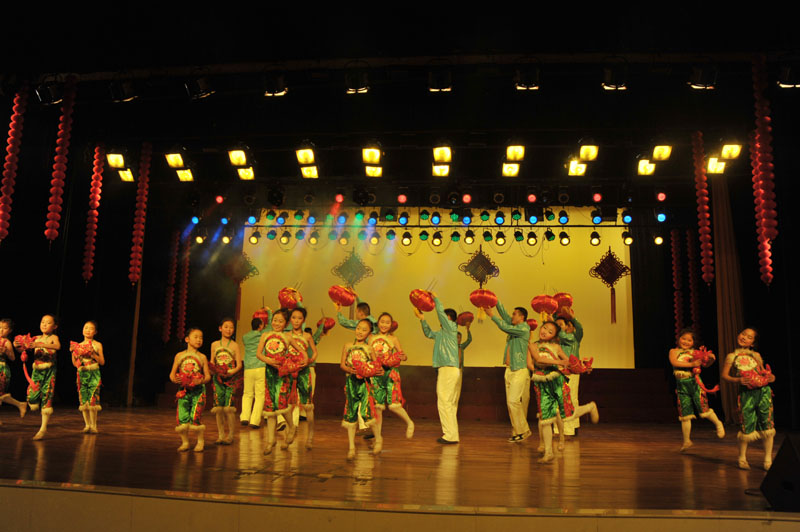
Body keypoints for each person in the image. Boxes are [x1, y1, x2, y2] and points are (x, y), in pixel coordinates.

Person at [528, 321, 599, 463]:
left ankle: (590, 407)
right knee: (545, 420)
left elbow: (570, 363)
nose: (545, 331)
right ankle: (548, 452)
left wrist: (583, 368)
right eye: (544, 328)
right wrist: (558, 363)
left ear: (554, 336)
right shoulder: (532, 345)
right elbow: (535, 361)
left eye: (550, 331)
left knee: (568, 414)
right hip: (541, 384)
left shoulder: (556, 347)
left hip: (557, 382)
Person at [721, 327, 776, 470]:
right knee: (746, 424)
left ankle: (768, 460)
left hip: (763, 392)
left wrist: (771, 377)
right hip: (747, 393)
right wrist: (738, 380)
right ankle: (742, 458)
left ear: (753, 343)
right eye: (743, 334)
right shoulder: (732, 356)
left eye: (749, 337)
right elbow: (725, 375)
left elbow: (763, 372)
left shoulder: (756, 355)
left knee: (767, 425)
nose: (744, 337)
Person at [256, 309, 307, 454]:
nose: (277, 323)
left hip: (282, 376)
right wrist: (269, 361)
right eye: (275, 320)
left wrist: (303, 361)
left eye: (280, 321)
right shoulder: (265, 335)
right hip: (269, 374)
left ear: (286, 323)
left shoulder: (288, 337)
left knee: (282, 405)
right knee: (270, 409)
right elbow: (259, 354)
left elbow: (302, 351)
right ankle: (270, 440)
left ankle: (291, 426)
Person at [669, 329, 725, 452]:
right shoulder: (674, 351)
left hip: (695, 384)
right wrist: (692, 364)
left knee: (703, 409)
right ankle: (687, 441)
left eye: (689, 340)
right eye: (683, 338)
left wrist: (710, 358)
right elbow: (674, 362)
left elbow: (706, 364)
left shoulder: (695, 352)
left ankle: (718, 423)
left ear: (693, 342)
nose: (685, 341)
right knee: (685, 414)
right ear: (679, 338)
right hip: (681, 386)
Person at [415, 293, 460, 444]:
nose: (442, 319)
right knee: (447, 403)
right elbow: (428, 333)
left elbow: (440, 314)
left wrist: (435, 299)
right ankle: (452, 434)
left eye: (445, 317)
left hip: (448, 368)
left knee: (444, 402)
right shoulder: (441, 333)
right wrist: (422, 319)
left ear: (449, 319)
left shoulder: (451, 328)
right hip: (446, 369)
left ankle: (450, 435)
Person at [485, 303, 532, 443]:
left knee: (513, 401)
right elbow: (505, 316)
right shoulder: (515, 327)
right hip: (510, 369)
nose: (512, 316)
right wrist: (494, 301)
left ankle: (524, 430)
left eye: (514, 314)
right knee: (510, 404)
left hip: (519, 370)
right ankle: (518, 432)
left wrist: (492, 315)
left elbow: (504, 326)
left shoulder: (524, 328)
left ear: (522, 317)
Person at [340, 319, 383, 459]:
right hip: (351, 383)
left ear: (369, 333)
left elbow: (377, 366)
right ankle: (351, 448)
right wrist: (350, 370)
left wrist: (376, 371)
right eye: (358, 328)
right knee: (351, 414)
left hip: (364, 384)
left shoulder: (369, 349)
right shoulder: (348, 346)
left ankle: (378, 440)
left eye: (364, 330)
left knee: (367, 413)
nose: (360, 332)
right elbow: (342, 365)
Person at [15, 315, 60, 440]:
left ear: (55, 326)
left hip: (49, 371)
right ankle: (31, 401)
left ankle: (43, 428)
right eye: (42, 322)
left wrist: (39, 344)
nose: (44, 324)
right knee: (32, 396)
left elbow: (57, 346)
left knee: (47, 396)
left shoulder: (53, 337)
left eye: (48, 322)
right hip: (37, 372)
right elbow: (22, 349)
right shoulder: (36, 338)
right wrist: (18, 345)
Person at [370, 312, 414, 439]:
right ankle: (378, 438)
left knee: (394, 405)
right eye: (382, 322)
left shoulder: (393, 339)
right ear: (378, 323)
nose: (384, 325)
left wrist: (403, 357)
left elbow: (402, 355)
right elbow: (368, 355)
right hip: (377, 374)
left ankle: (409, 422)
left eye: (387, 322)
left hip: (390, 374)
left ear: (391, 325)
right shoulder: (371, 338)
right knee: (377, 408)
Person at [169, 327, 211, 452]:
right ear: (187, 339)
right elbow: (172, 374)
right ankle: (185, 442)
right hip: (183, 391)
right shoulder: (179, 355)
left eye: (201, 337)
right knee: (182, 418)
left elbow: (208, 376)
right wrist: (175, 379)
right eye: (196, 337)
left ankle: (200, 441)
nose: (199, 340)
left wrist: (200, 381)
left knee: (195, 417)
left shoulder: (202, 357)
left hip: (198, 391)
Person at [288, 307, 318, 449]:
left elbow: (315, 352)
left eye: (299, 318)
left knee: (307, 405)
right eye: (294, 317)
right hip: (289, 372)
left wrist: (309, 360)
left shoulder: (307, 336)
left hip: (304, 372)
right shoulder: (286, 335)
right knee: (288, 405)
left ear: (304, 320)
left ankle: (310, 436)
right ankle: (290, 430)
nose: (296, 321)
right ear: (290, 319)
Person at [209, 318, 242, 445]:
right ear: (220, 328)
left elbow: (239, 365)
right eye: (226, 327)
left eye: (231, 327)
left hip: (231, 379)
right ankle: (221, 435)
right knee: (219, 408)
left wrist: (231, 372)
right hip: (218, 379)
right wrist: (213, 369)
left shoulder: (235, 345)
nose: (229, 329)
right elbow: (212, 361)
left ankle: (231, 435)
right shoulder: (214, 344)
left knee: (229, 408)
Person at [71, 321, 105, 433]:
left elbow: (102, 362)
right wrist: (74, 353)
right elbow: (74, 363)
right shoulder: (78, 345)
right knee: (83, 400)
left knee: (93, 399)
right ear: (82, 330)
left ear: (95, 332)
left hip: (94, 373)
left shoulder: (98, 345)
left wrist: (93, 353)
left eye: (91, 328)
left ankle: (94, 426)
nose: (88, 330)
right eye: (86, 328)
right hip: (82, 373)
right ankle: (87, 425)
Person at [555, 308, 583, 436]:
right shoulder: (558, 341)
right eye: (557, 325)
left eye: (561, 325)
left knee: (571, 398)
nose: (559, 327)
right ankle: (559, 429)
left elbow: (580, 328)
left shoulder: (575, 337)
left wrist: (572, 317)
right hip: (560, 371)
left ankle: (571, 428)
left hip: (573, 371)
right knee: (558, 399)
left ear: (568, 326)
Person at [240, 317, 266, 428]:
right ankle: (255, 421)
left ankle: (244, 417)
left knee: (247, 393)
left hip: (248, 368)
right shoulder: (263, 335)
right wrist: (268, 312)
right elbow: (270, 327)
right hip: (260, 366)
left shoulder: (245, 337)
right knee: (260, 395)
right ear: (260, 326)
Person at [0, 319, 27, 421]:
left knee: (1, 395)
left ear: (10, 330)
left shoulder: (6, 342)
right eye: (0, 327)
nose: (1, 330)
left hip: (1, 370)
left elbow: (13, 358)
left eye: (4, 328)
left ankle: (20, 404)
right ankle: (20, 404)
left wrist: (6, 351)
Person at [456, 326, 472, 408]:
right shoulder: (451, 347)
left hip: (460, 370)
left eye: (459, 338)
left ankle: (455, 405)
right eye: (457, 337)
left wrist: (468, 330)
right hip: (453, 370)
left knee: (458, 389)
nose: (458, 339)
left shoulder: (461, 346)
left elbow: (469, 340)